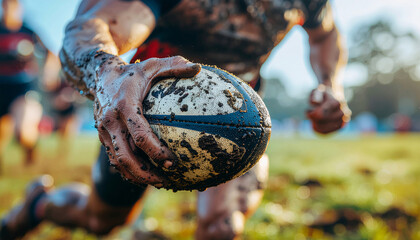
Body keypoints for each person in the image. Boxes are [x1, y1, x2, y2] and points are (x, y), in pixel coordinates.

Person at [0, 0, 351, 239]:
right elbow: (94, 24)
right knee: (101, 219)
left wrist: (330, 84)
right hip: (139, 115)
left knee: (222, 225)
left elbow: (324, 35)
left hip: (237, 124)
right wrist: (107, 73)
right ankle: (39, 205)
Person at [0, 0, 59, 168]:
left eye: (13, 6)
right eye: (5, 5)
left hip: (22, 86)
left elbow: (51, 54)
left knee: (23, 132)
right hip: (1, 85)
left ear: (19, 9)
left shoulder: (28, 31)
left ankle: (30, 147)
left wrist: (49, 74)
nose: (8, 9)